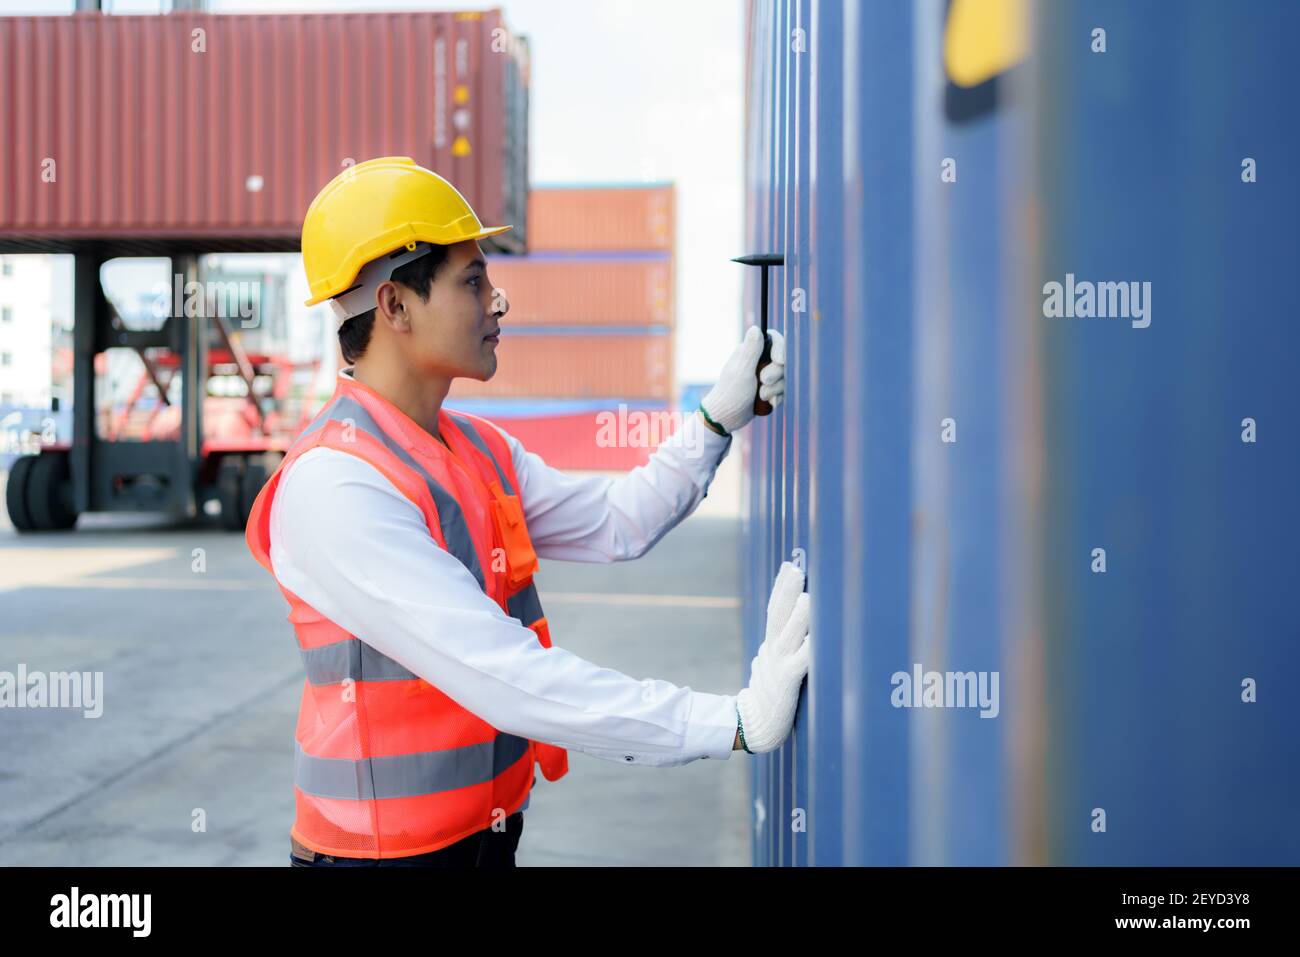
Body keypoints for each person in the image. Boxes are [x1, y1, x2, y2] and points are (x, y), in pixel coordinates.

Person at [245, 156, 812, 867]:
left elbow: (617, 520)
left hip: (484, 842)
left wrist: (715, 421)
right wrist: (730, 720)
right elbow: (504, 675)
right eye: (473, 281)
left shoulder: (477, 449)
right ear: (394, 306)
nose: (499, 302)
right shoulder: (336, 486)